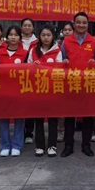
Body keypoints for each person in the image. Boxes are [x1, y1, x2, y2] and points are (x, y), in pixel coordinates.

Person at [60, 11, 95, 157]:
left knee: (88, 116)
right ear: (74, 24)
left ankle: (86, 145)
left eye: (84, 23)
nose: (81, 25)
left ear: (88, 24)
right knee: (69, 116)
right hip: (71, 83)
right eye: (78, 22)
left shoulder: (94, 41)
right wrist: (63, 62)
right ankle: (68, 146)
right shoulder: (66, 41)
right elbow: (61, 59)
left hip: (88, 83)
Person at [28, 23, 62, 157]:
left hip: (52, 89)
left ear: (53, 36)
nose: (46, 38)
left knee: (53, 118)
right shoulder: (33, 51)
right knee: (39, 118)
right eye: (43, 35)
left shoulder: (57, 51)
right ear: (39, 36)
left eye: (48, 35)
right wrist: (33, 66)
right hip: (37, 89)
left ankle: (52, 145)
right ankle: (40, 145)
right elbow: (27, 69)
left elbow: (60, 70)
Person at [0, 25, 28, 157]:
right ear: (6, 37)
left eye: (16, 35)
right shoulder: (0, 53)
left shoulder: (25, 53)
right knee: (3, 118)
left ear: (20, 37)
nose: (13, 37)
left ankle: (17, 145)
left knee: (19, 118)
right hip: (3, 90)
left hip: (19, 91)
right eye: (11, 35)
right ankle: (4, 145)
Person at [56, 21, 74, 142]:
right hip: (61, 78)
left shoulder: (75, 43)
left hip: (75, 77)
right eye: (65, 30)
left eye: (69, 30)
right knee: (61, 108)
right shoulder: (57, 45)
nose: (67, 32)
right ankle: (61, 130)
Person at [21, 18, 37, 145]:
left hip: (33, 78)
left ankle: (29, 133)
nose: (27, 27)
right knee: (21, 106)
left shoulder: (38, 42)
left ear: (33, 27)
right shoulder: (16, 39)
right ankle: (20, 132)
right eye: (25, 25)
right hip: (19, 77)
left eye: (29, 25)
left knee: (31, 106)